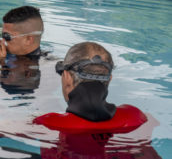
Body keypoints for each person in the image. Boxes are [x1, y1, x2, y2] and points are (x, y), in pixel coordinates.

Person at [33, 42, 161, 158]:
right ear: (109, 79)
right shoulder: (136, 117)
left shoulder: (48, 124)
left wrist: (45, 91)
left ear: (67, 77)